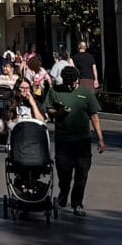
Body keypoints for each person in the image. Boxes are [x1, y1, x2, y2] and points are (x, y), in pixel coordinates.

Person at [48, 65, 107, 213]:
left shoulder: (86, 93)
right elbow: (49, 111)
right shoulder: (54, 91)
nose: (69, 86)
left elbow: (94, 116)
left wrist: (100, 138)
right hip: (63, 140)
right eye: (67, 83)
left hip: (82, 140)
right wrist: (58, 112)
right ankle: (63, 193)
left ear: (77, 80)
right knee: (64, 171)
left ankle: (77, 203)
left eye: (72, 83)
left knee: (82, 173)